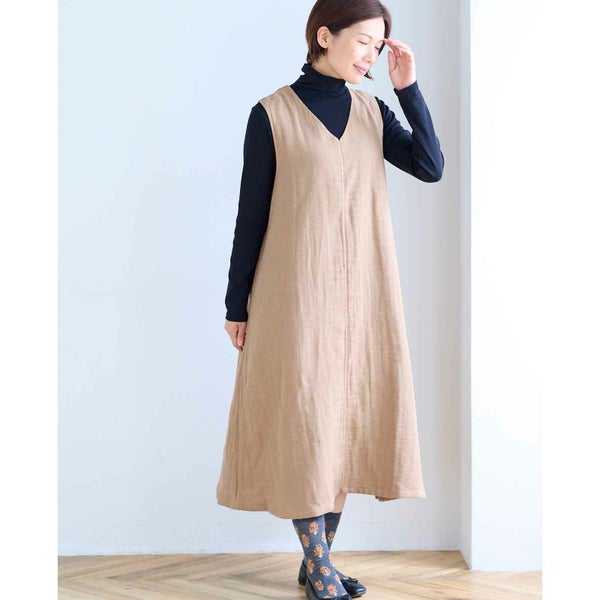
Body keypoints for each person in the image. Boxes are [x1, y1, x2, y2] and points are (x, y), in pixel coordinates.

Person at [217, 1, 444, 598]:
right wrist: (236, 304)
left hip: (366, 294)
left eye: (379, 44)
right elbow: (250, 215)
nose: (372, 54)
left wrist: (408, 90)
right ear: (325, 35)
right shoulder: (272, 114)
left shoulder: (372, 110)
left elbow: (430, 166)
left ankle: (317, 560)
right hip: (293, 295)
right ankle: (319, 565)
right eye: (364, 41)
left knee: (343, 423)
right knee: (306, 423)